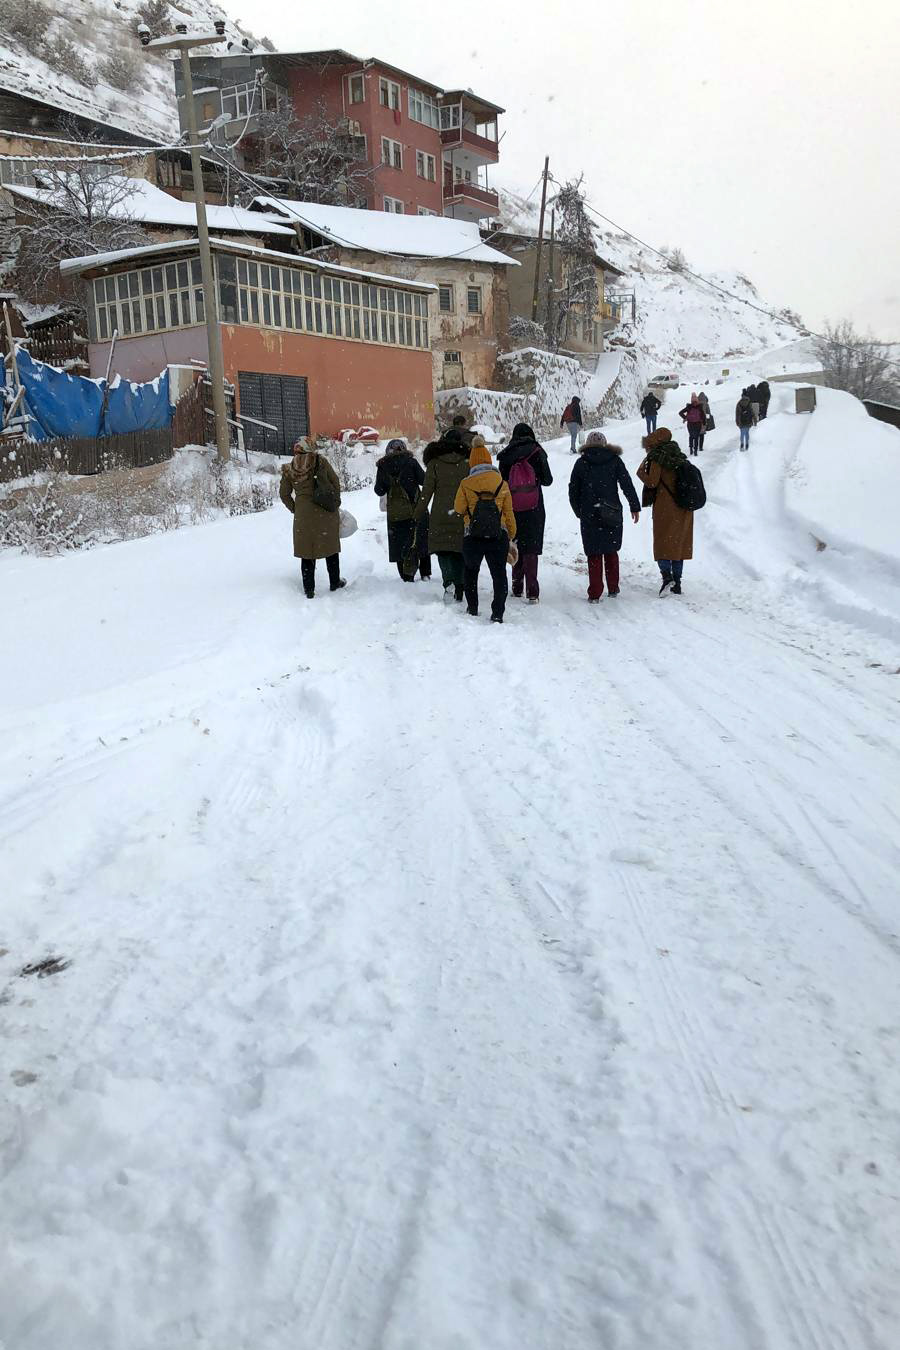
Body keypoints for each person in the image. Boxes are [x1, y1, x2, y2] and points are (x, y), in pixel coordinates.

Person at [568, 431, 641, 602]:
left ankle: (595, 592)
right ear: (605, 443)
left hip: (589, 512)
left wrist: (579, 511)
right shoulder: (614, 460)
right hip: (611, 510)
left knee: (593, 552)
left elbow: (573, 490)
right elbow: (626, 484)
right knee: (611, 550)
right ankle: (613, 587)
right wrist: (634, 506)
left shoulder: (581, 463)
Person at [453, 441, 517, 623]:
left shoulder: (466, 483)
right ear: (489, 460)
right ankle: (498, 613)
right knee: (499, 575)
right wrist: (511, 533)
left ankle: (472, 608)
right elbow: (509, 512)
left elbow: (458, 508)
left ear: (472, 462)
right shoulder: (501, 483)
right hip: (498, 536)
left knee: (470, 572)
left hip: (472, 536)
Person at [279, 440, 346, 598]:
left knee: (307, 551)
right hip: (325, 509)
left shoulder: (289, 468)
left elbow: (284, 494)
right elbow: (335, 481)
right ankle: (334, 582)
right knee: (330, 547)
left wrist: (295, 508)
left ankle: (309, 589)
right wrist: (335, 501)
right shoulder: (320, 461)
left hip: (303, 515)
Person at [497, 421, 552, 603]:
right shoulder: (537, 451)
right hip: (534, 506)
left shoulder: (506, 455)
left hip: (512, 506)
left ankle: (517, 585)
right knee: (532, 547)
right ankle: (532, 591)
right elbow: (548, 480)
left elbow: (501, 482)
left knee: (516, 542)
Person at [636, 428, 693, 595]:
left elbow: (652, 482)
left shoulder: (657, 458)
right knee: (678, 544)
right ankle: (677, 582)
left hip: (665, 507)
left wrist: (641, 472)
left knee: (663, 543)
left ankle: (667, 577)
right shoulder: (679, 455)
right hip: (683, 506)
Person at [416, 433, 470, 601]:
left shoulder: (434, 463)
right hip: (461, 513)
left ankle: (448, 583)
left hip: (440, 514)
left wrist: (417, 514)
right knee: (459, 550)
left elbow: (426, 492)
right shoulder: (467, 462)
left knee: (443, 551)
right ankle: (460, 585)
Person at [374, 438, 426, 581]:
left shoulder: (383, 465)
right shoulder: (411, 462)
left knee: (398, 544)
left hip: (395, 512)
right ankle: (424, 573)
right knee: (419, 540)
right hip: (414, 509)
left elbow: (379, 490)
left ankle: (405, 576)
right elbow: (423, 480)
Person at [678, 393, 707, 457]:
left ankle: (691, 449)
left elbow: (680, 413)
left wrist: (685, 418)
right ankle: (695, 451)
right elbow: (703, 416)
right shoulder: (700, 407)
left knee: (691, 436)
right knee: (696, 437)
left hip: (690, 424)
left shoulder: (689, 407)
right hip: (698, 424)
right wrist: (704, 423)